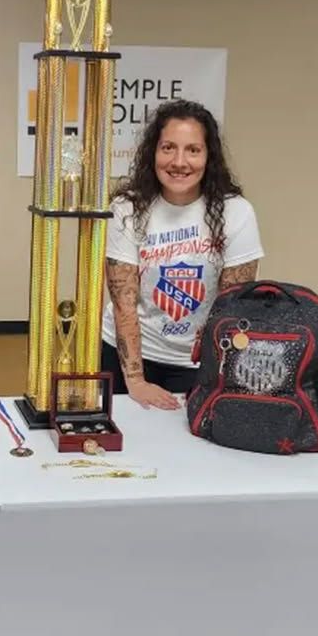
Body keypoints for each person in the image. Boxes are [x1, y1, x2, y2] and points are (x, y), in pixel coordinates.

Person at [102, 100, 263, 410]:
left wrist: (215, 372)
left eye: (193, 150)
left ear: (208, 156)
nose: (179, 162)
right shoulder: (126, 208)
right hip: (127, 359)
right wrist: (136, 380)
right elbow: (124, 303)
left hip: (197, 362)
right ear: (153, 152)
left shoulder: (236, 212)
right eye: (168, 148)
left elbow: (232, 306)